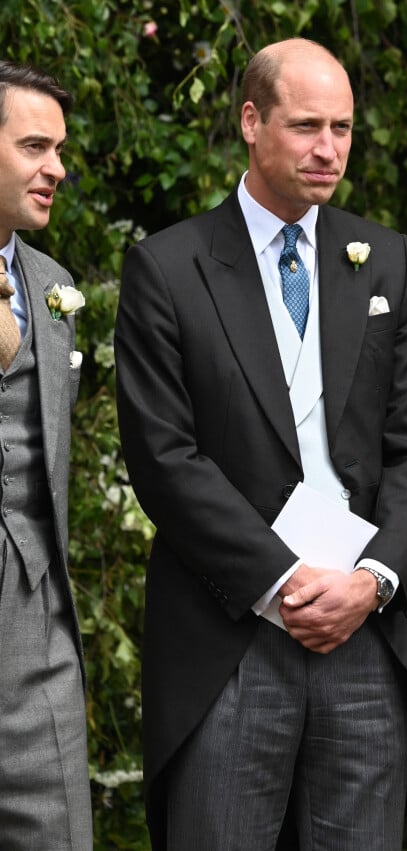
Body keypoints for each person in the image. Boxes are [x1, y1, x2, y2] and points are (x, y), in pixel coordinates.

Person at [115, 38, 407, 851]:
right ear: (251, 121)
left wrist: (370, 582)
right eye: (306, 126)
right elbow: (164, 456)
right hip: (230, 633)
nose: (329, 148)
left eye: (342, 127)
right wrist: (281, 580)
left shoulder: (388, 262)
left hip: (368, 631)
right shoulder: (167, 267)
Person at [0, 61, 92, 849]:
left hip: (37, 618)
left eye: (58, 149)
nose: (56, 168)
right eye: (35, 146)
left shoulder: (53, 284)